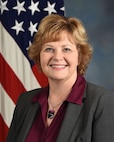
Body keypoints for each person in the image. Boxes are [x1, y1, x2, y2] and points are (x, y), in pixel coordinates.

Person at [6, 14, 114, 142]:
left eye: (66, 49)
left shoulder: (102, 102)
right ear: (39, 55)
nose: (57, 57)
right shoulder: (26, 101)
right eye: (49, 49)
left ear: (79, 57)